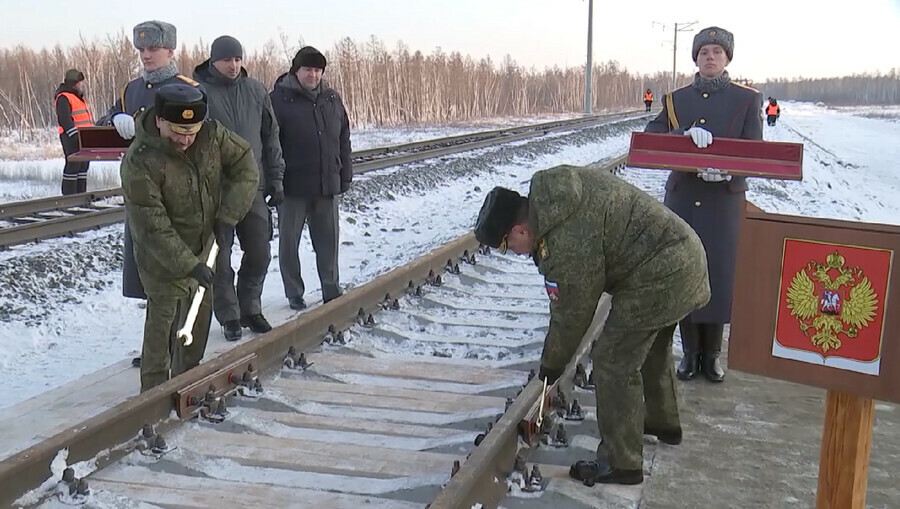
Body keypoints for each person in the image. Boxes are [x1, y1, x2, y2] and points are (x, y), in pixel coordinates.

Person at [474, 165, 711, 485]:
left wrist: (549, 368)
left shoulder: (565, 242)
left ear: (519, 230)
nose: (512, 253)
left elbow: (572, 314)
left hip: (665, 272)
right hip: (681, 256)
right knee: (649, 345)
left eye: (505, 245)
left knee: (613, 359)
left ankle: (622, 462)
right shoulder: (554, 198)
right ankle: (661, 422)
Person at [119, 84, 258, 392]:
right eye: (177, 131)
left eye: (191, 131)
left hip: (204, 246)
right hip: (161, 258)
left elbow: (246, 165)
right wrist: (187, 264)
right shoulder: (139, 161)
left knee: (196, 321)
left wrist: (228, 215)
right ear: (159, 121)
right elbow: (152, 226)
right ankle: (153, 394)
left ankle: (187, 385)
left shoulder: (212, 135)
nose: (185, 139)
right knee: (163, 324)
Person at [644, 26, 763, 383]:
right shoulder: (675, 99)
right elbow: (651, 138)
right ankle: (689, 354)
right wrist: (681, 137)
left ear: (727, 58)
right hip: (683, 199)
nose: (710, 57)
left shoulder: (747, 99)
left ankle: (712, 355)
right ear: (696, 59)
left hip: (723, 202)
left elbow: (754, 151)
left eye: (716, 52)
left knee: (718, 275)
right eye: (703, 52)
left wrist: (730, 174)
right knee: (683, 274)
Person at [98, 20, 203, 367]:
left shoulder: (188, 89)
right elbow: (103, 121)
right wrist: (115, 117)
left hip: (175, 196)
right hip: (142, 196)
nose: (146, 55)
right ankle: (157, 350)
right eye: (141, 50)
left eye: (153, 49)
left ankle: (177, 348)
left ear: (170, 50)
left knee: (174, 276)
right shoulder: (132, 89)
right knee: (150, 277)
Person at [193, 35, 285, 341]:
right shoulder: (199, 93)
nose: (233, 65)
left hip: (253, 187)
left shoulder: (256, 90)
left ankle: (251, 307)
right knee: (220, 256)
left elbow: (270, 136)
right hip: (215, 191)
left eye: (237, 59)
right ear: (213, 61)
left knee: (260, 251)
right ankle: (229, 314)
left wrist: (276, 177)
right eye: (227, 59)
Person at [270, 46, 352, 310]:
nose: (313, 75)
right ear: (296, 70)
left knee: (328, 242)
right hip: (292, 187)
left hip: (326, 185)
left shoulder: (331, 99)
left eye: (318, 71)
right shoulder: (279, 100)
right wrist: (274, 180)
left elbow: (343, 139)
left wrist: (345, 174)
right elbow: (270, 143)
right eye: (308, 70)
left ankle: (331, 287)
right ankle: (294, 292)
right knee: (289, 245)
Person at [54, 69, 93, 195]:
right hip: (71, 137)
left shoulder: (78, 98)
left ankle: (81, 197)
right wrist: (75, 136)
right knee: (73, 166)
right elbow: (64, 119)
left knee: (83, 166)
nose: (82, 85)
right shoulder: (63, 97)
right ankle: (69, 198)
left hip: (84, 137)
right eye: (79, 83)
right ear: (73, 84)